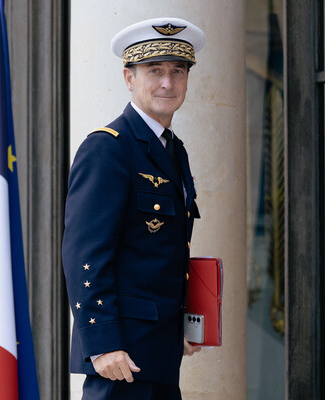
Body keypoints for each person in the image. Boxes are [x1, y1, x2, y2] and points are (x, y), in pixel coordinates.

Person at [62, 17, 205, 400]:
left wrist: (181, 326)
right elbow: (85, 253)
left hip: (160, 353)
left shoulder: (173, 150)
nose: (167, 83)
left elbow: (162, 254)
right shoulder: (108, 147)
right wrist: (101, 341)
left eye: (177, 72)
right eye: (154, 71)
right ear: (129, 78)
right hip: (121, 358)